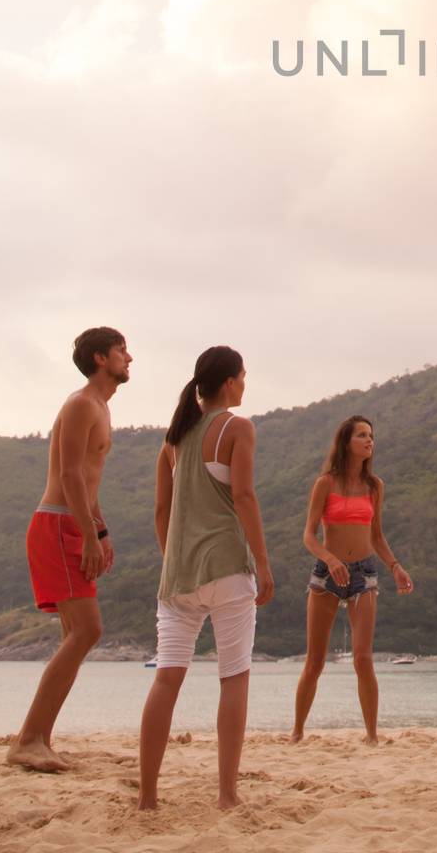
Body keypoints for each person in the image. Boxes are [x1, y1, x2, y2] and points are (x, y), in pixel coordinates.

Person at [138, 346, 274, 811]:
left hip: (177, 577)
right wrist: (264, 562)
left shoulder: (173, 439)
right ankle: (226, 795)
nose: (245, 383)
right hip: (227, 569)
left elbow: (161, 510)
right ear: (231, 382)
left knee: (166, 680)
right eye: (244, 375)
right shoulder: (237, 428)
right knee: (233, 678)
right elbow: (244, 496)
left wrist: (171, 558)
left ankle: (149, 798)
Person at [7, 327, 132, 771]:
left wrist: (99, 531)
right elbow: (70, 474)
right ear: (101, 359)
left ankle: (39, 738)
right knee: (87, 630)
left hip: (73, 524)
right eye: (121, 351)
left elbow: (89, 480)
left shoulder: (100, 408)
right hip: (58, 525)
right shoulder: (81, 404)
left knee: (76, 634)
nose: (129, 358)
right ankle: (28, 739)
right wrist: (84, 530)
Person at [290, 416, 413, 744]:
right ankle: (297, 732)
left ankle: (372, 735)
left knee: (363, 659)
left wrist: (396, 567)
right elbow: (308, 535)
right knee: (315, 660)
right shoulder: (325, 484)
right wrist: (330, 560)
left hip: (364, 575)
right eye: (362, 435)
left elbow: (377, 535)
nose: (369, 440)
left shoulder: (375, 487)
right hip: (325, 576)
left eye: (371, 435)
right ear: (346, 442)